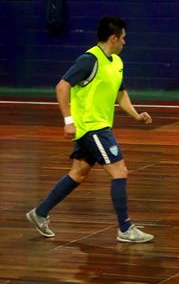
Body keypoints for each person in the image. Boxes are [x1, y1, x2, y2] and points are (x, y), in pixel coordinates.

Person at [26, 16, 154, 243]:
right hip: (92, 127)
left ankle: (40, 213)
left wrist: (136, 115)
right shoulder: (89, 60)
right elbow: (62, 87)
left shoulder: (116, 62)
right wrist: (68, 120)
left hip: (96, 127)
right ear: (113, 38)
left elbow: (121, 93)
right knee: (119, 171)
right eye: (123, 38)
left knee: (78, 172)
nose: (125, 42)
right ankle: (125, 229)